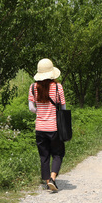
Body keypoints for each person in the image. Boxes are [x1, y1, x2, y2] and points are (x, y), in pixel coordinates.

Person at [28, 58, 66, 192]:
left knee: (44, 156)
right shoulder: (57, 87)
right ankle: (52, 178)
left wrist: (41, 112)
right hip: (54, 127)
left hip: (40, 128)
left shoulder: (33, 87)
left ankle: (46, 181)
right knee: (58, 153)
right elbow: (63, 107)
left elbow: (31, 108)